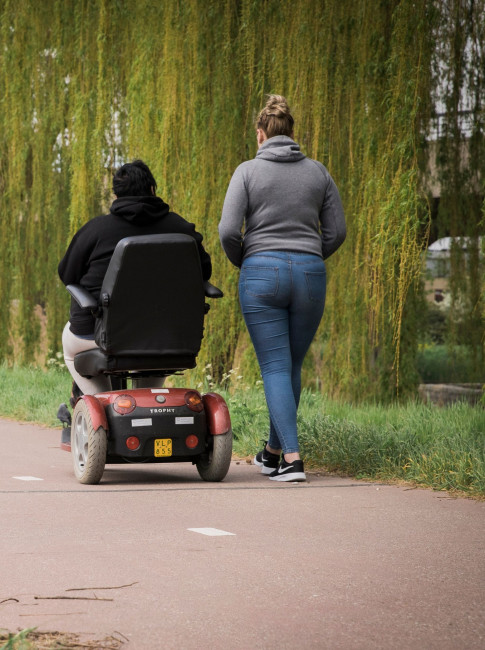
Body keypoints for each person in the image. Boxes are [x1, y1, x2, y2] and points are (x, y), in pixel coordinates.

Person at [218, 95, 346, 482]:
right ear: (291, 134)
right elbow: (337, 232)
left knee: (275, 365)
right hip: (309, 274)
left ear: (260, 136)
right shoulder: (319, 173)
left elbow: (227, 230)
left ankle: (291, 458)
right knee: (289, 363)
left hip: (261, 272)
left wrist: (247, 261)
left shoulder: (247, 172)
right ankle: (273, 453)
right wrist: (309, 255)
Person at [59, 159, 212, 396]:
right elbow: (204, 272)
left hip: (95, 331)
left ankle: (99, 402)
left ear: (116, 196)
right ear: (152, 190)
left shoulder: (96, 230)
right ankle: (147, 402)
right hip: (167, 333)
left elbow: (67, 274)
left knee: (69, 345)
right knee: (151, 353)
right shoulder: (182, 229)